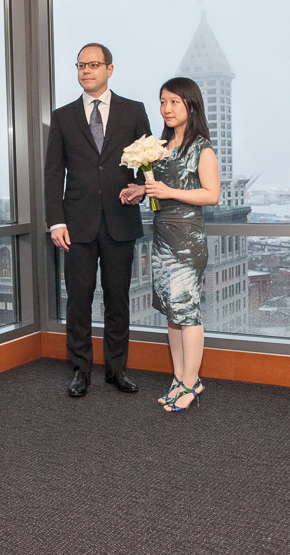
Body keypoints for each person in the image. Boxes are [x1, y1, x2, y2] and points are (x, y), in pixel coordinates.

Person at [44, 43, 152, 397]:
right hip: (76, 225)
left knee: (118, 300)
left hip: (120, 220)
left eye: (93, 64)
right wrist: (56, 222)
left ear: (110, 69)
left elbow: (148, 164)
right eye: (81, 65)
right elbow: (52, 174)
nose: (86, 71)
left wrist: (142, 188)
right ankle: (80, 370)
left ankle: (116, 369)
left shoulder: (133, 111)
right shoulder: (63, 117)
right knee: (78, 300)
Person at [122, 77, 219, 412]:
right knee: (172, 313)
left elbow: (211, 194)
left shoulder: (201, 148)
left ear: (191, 105)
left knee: (187, 312)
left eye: (174, 101)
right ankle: (180, 378)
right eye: (163, 101)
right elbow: (156, 188)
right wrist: (138, 191)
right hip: (162, 240)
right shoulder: (161, 148)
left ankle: (192, 383)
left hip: (187, 242)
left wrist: (169, 192)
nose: (166, 108)